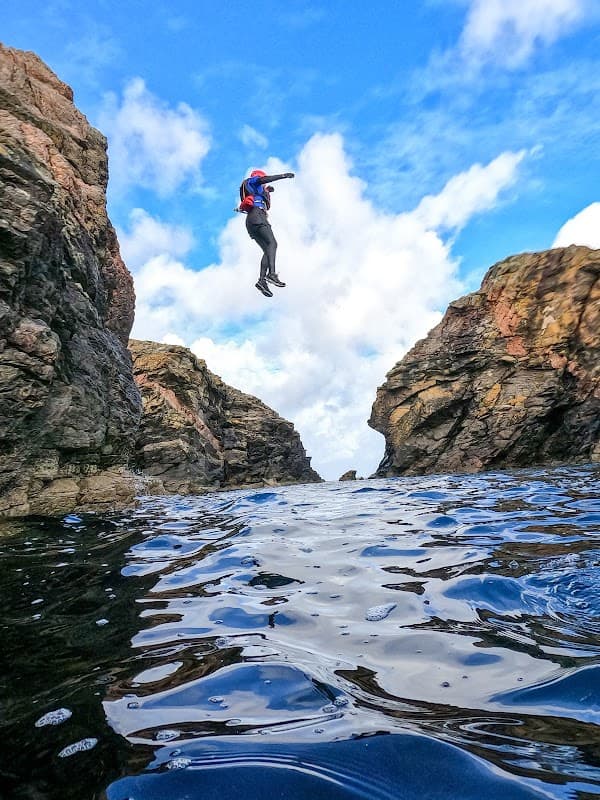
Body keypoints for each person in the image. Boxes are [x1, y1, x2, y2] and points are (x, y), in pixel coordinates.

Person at [240, 169, 295, 297]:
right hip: (257, 216)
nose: (263, 184)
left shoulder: (255, 189)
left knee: (268, 250)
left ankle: (262, 281)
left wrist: (268, 191)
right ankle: (272, 274)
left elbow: (260, 193)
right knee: (273, 244)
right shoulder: (253, 181)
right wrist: (283, 176)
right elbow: (262, 180)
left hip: (251, 221)